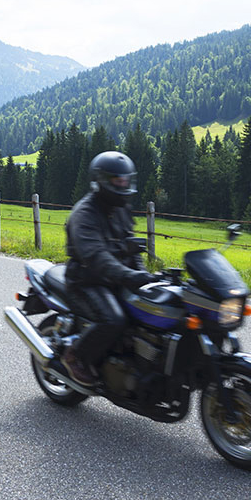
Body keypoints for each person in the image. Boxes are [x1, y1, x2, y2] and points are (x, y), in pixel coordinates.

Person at [58, 151, 156, 388]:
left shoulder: (120, 207)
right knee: (114, 320)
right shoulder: (85, 214)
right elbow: (97, 258)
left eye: (126, 180)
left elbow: (130, 245)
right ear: (101, 180)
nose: (123, 185)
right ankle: (75, 356)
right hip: (86, 281)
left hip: (115, 278)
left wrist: (146, 277)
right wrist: (130, 276)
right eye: (117, 181)